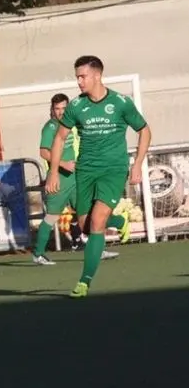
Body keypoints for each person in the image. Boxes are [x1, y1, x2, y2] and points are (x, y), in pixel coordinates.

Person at [46, 56, 151, 298]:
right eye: (77, 77)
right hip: (86, 172)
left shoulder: (121, 103)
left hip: (113, 171)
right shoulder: (76, 106)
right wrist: (53, 172)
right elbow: (60, 138)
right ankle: (120, 221)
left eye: (82, 76)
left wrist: (137, 164)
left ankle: (84, 281)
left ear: (97, 75)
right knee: (85, 225)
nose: (79, 81)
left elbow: (144, 131)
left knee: (96, 222)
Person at [33, 93, 123, 264]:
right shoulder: (50, 127)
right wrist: (63, 164)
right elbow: (44, 152)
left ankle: (98, 249)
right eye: (57, 109)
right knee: (52, 216)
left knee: (88, 215)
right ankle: (38, 254)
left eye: (64, 108)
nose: (61, 112)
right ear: (52, 110)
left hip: (76, 178)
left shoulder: (71, 125)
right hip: (59, 180)